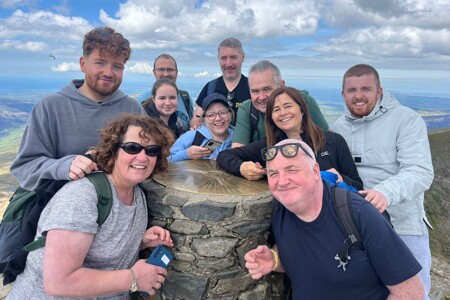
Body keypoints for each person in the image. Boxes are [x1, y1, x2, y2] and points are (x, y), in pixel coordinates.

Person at [8, 114, 175, 299]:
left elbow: (101, 246)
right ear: (114, 151)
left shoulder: (137, 194)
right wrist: (134, 278)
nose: (142, 157)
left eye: (152, 150)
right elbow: (58, 283)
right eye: (132, 148)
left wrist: (139, 240)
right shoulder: (82, 196)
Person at [244, 139, 425, 299]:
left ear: (315, 171)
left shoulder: (358, 213)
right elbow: (306, 257)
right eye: (273, 174)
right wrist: (274, 259)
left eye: (292, 169)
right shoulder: (280, 210)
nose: (282, 181)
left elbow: (411, 292)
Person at [333, 64, 434, 298]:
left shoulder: (406, 120)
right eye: (352, 90)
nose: (358, 96)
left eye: (366, 89)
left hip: (403, 225)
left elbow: (420, 171)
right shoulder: (338, 127)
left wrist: (383, 194)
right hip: (356, 227)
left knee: (413, 294)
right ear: (343, 94)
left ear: (379, 91)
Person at [10, 26, 146, 191]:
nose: (109, 73)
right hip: (63, 209)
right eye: (100, 62)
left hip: (123, 207)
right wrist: (64, 166)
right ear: (83, 64)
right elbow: (25, 167)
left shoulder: (132, 108)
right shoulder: (50, 107)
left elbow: (149, 154)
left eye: (117, 66)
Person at [216, 86, 362, 190]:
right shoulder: (270, 145)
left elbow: (357, 184)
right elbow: (224, 156)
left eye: (288, 106)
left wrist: (341, 179)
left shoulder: (333, 141)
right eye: (276, 109)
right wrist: (241, 168)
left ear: (302, 110)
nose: (283, 113)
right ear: (272, 117)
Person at [232, 60, 328, 148]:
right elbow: (237, 149)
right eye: (255, 91)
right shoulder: (247, 109)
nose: (261, 97)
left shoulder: (304, 102)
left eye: (267, 89)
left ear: (282, 85)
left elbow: (328, 141)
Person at [190, 37, 250, 128]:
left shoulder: (253, 88)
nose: (228, 64)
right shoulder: (210, 87)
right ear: (218, 58)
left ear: (243, 57)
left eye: (233, 57)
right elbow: (196, 120)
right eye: (223, 58)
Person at [169, 93, 234, 162]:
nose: (218, 118)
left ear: (230, 114)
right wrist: (186, 154)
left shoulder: (240, 139)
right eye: (211, 115)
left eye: (222, 113)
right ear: (204, 119)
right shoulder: (191, 137)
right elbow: (166, 161)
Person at [136, 53, 193, 131]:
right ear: (154, 72)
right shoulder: (142, 100)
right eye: (161, 69)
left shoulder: (185, 97)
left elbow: (190, 123)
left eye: (170, 69)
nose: (166, 74)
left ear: (176, 72)